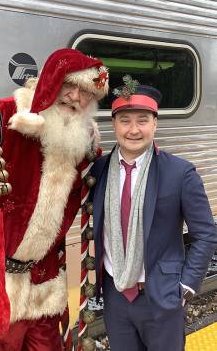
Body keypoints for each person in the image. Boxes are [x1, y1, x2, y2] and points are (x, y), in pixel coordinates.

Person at [0, 48, 108, 350]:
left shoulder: (84, 143)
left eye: (87, 93)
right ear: (51, 82)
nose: (76, 98)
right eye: (70, 86)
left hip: (45, 285)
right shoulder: (4, 115)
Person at [90, 76, 217, 351]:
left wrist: (186, 286)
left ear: (155, 124)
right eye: (125, 120)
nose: (133, 129)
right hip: (116, 296)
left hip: (162, 296)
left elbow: (205, 235)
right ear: (114, 124)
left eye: (142, 120)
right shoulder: (99, 171)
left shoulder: (180, 173)